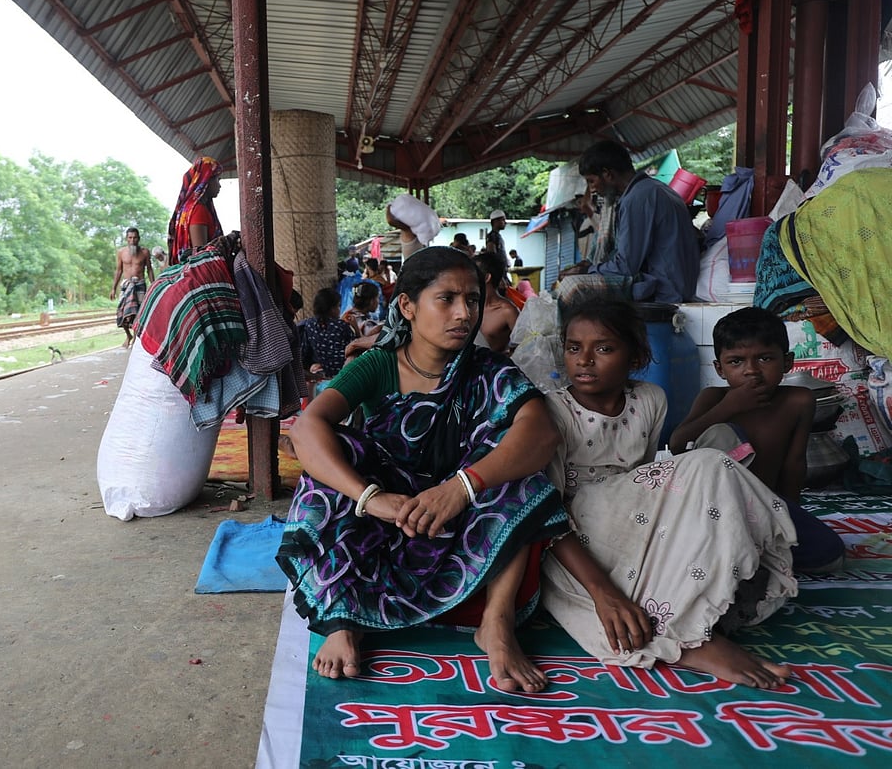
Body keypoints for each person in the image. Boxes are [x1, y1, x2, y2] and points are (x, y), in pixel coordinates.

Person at [277, 247, 570, 691]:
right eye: (446, 299)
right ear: (407, 307)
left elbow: (540, 432)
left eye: (472, 300)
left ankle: (495, 621)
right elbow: (307, 429)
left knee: (519, 472)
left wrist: (462, 487)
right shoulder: (378, 365)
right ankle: (343, 617)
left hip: (457, 517)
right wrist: (371, 499)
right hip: (384, 515)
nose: (464, 313)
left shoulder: (487, 369)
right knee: (330, 463)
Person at [541, 298, 798, 689]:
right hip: (578, 522)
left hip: (633, 513)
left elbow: (646, 475)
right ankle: (692, 640)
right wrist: (601, 591)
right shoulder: (552, 410)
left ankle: (693, 620)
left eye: (604, 348)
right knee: (709, 463)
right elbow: (549, 508)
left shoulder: (649, 399)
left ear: (636, 356)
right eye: (574, 348)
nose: (585, 360)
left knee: (710, 465)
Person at [670, 306, 845, 573]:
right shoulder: (713, 399)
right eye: (736, 362)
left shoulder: (798, 400)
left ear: (787, 362)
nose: (751, 370)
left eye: (764, 358)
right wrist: (728, 408)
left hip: (764, 509)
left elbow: (794, 464)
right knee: (723, 434)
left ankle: (749, 552)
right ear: (719, 368)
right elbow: (677, 445)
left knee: (830, 556)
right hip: (712, 509)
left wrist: (789, 521)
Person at [562, 139, 699, 303]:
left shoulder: (637, 199)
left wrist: (587, 270)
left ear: (607, 174)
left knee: (573, 290)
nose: (592, 189)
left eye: (591, 181)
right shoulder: (655, 189)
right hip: (679, 286)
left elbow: (625, 267)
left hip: (665, 294)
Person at [167, 156, 223, 262]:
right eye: (217, 179)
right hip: (203, 274)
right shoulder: (198, 210)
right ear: (205, 180)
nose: (219, 186)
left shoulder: (187, 209)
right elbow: (201, 255)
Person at [298, 287, 353, 389]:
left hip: (319, 374)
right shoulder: (342, 326)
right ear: (332, 309)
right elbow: (353, 350)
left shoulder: (309, 324)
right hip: (342, 375)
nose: (339, 310)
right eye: (338, 306)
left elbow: (304, 352)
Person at [110, 227, 155, 348]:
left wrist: (154, 285)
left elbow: (149, 270)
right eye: (130, 237)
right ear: (126, 239)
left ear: (138, 239)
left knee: (139, 313)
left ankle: (135, 337)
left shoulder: (145, 252)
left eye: (135, 237)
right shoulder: (121, 252)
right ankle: (128, 335)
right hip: (126, 285)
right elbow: (118, 270)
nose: (132, 240)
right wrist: (113, 288)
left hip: (140, 284)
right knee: (122, 312)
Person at [473, 252, 519, 352]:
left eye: (474, 272)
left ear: (487, 278)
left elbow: (522, 348)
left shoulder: (508, 311)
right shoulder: (467, 307)